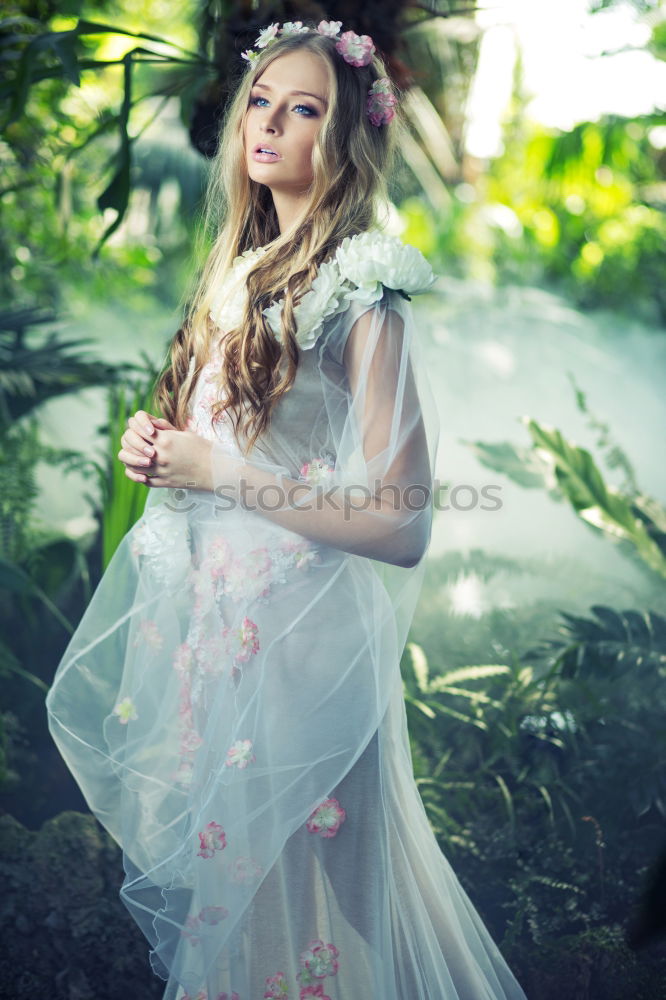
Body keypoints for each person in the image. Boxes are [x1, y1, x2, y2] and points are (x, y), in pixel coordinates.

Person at [46, 20, 529, 1000]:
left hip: (307, 641)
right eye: (260, 100)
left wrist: (217, 470)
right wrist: (162, 450)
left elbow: (403, 521)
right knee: (243, 905)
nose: (268, 122)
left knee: (331, 904)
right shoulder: (239, 268)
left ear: (340, 139)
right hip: (224, 634)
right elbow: (232, 436)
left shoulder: (362, 289)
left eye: (302, 108)